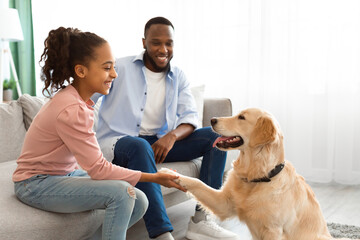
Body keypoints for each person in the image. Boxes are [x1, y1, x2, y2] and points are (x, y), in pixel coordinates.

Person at [12, 27, 185, 240]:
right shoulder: (71, 108)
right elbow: (98, 169)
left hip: (61, 174)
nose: (114, 74)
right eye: (107, 68)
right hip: (34, 183)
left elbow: (96, 165)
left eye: (113, 67)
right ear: (81, 71)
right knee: (123, 195)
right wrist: (156, 178)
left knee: (140, 200)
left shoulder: (79, 101)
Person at [92, 17, 240, 240]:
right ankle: (161, 233)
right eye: (156, 43)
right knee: (139, 146)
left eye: (168, 43)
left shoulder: (178, 76)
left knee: (214, 137)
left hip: (158, 143)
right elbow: (86, 96)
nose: (163, 49)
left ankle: (202, 220)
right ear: (144, 43)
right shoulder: (118, 67)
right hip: (119, 144)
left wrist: (171, 136)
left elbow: (190, 117)